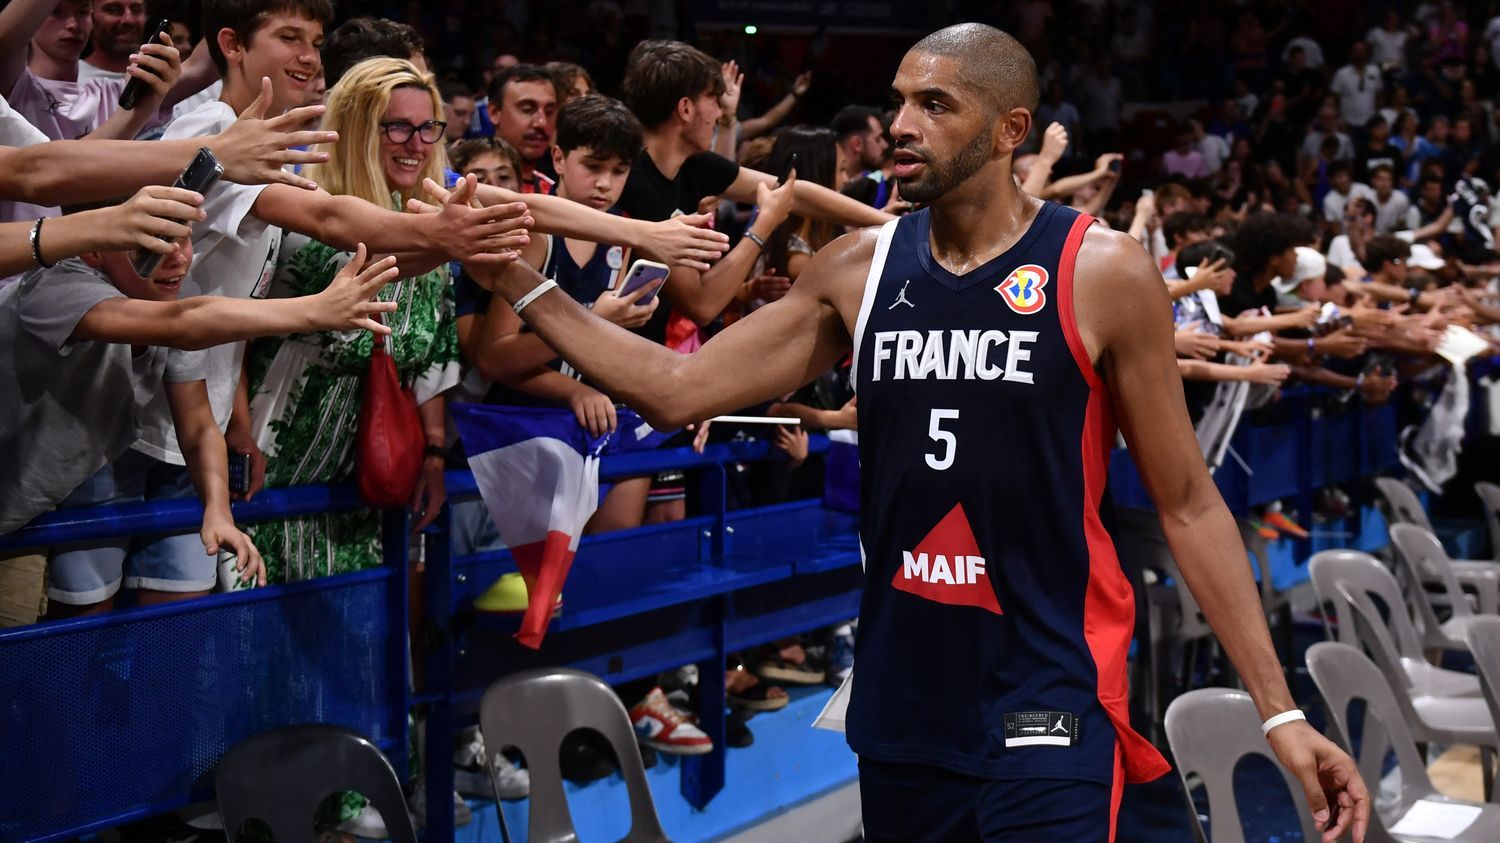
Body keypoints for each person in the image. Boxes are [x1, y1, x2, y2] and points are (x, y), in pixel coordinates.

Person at [464, 23, 1370, 842]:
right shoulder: (855, 268)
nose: (900, 122)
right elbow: (672, 387)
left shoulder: (1100, 270)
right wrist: (515, 277)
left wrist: (1280, 711)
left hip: (1048, 694)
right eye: (898, 99)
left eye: (934, 104)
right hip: (902, 698)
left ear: (1011, 130)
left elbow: (1187, 500)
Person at [0, 193, 401, 626]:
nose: (176, 258)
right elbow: (182, 326)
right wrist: (314, 309)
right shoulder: (56, 285)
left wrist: (218, 510)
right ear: (93, 249)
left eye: (183, 238)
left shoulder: (172, 296)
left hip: (20, 513)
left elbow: (198, 426)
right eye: (150, 242)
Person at [243, 57, 468, 580]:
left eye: (427, 128)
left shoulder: (433, 229)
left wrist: (433, 453)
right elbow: (233, 335)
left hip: (368, 482)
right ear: (358, 129)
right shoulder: (299, 212)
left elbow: (432, 356)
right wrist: (235, 435)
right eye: (397, 126)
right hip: (271, 465)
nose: (416, 144)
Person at [486, 63, 559, 193]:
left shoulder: (553, 190)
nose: (541, 122)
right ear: (495, 113)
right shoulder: (460, 181)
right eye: (527, 109)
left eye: (549, 111)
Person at [78, 0, 144, 83]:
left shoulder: (160, 73)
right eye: (113, 10)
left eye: (136, 9)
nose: (129, 20)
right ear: (89, 16)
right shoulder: (69, 79)